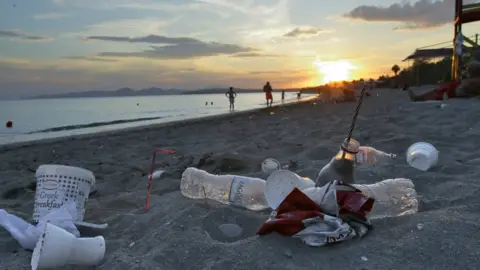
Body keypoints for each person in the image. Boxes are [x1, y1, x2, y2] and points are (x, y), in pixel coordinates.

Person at [408, 61, 480, 101]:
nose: (467, 72)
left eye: (469, 70)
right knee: (437, 91)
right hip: (455, 90)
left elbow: (469, 89)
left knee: (437, 93)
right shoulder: (473, 79)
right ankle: (418, 98)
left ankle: (418, 98)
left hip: (453, 92)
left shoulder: (475, 81)